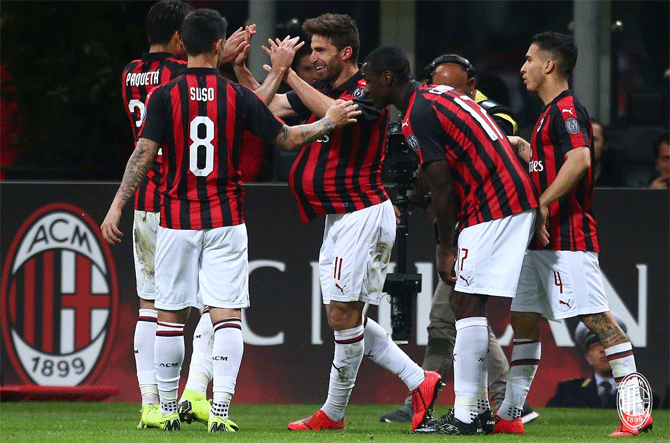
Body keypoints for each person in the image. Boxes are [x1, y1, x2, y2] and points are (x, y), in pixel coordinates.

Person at [102, 8, 360, 432]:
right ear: (220, 45)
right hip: (225, 218)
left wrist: (116, 205)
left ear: (184, 43)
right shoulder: (235, 96)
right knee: (226, 315)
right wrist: (326, 122)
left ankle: (166, 409)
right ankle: (219, 410)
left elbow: (143, 153)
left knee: (169, 314)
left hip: (176, 217)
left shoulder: (164, 95)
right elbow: (288, 137)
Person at [235, 13, 443, 433]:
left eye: (320, 50)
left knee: (342, 315)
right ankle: (415, 382)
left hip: (361, 214)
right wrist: (242, 70)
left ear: (346, 52)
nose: (313, 57)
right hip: (341, 216)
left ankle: (343, 407)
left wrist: (288, 73)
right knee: (345, 315)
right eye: (310, 49)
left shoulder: (367, 89)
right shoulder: (326, 88)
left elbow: (336, 112)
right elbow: (270, 105)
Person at [362, 46, 538, 435]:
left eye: (369, 78)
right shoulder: (440, 96)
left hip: (494, 204)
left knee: (464, 300)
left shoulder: (417, 113)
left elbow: (441, 184)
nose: (366, 86)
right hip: (507, 199)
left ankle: (468, 414)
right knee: (466, 302)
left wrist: (446, 246)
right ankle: (476, 411)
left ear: (388, 78)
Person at [494, 32, 653, 437]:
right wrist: (525, 153)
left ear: (549, 65)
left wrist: (541, 203)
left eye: (529, 60)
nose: (522, 68)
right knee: (524, 321)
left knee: (600, 321)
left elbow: (580, 159)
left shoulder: (566, 109)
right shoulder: (547, 115)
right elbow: (551, 161)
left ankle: (636, 412)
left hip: (568, 238)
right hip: (541, 241)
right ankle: (510, 414)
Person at [121, 0, 205, 429]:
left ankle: (149, 402)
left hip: (142, 200)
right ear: (179, 39)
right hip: (176, 200)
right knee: (202, 306)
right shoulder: (178, 77)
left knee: (148, 306)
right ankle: (194, 394)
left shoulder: (129, 73)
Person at [547, 315, 627, 408]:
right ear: (588, 357)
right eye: (596, 345)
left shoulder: (637, 391)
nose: (603, 349)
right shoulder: (568, 391)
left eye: (608, 343)